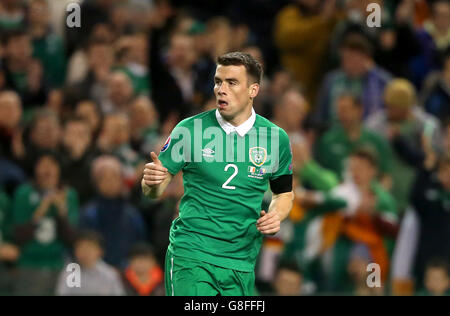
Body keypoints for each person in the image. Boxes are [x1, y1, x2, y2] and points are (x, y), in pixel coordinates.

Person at [141, 52, 294, 296]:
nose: (221, 89)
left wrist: (276, 215)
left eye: (231, 83)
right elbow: (153, 191)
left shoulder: (276, 139)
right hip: (191, 256)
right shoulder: (190, 130)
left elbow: (284, 194)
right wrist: (152, 183)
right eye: (218, 81)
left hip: (241, 262)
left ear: (253, 90)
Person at [8, 154, 79, 295]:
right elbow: (17, 237)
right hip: (29, 263)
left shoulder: (69, 195)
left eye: (52, 165)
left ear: (59, 169)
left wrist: (61, 214)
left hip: (61, 265)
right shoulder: (23, 193)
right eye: (43, 165)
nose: (48, 170)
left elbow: (72, 240)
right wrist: (39, 213)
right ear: (35, 169)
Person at [80, 155, 146, 268]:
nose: (110, 182)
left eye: (114, 177)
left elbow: (141, 245)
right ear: (96, 183)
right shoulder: (89, 214)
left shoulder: (132, 215)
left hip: (128, 274)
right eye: (104, 178)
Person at [55, 230, 125, 296]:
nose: (85, 251)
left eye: (89, 247)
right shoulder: (70, 272)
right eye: (80, 247)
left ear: (100, 251)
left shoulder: (110, 274)